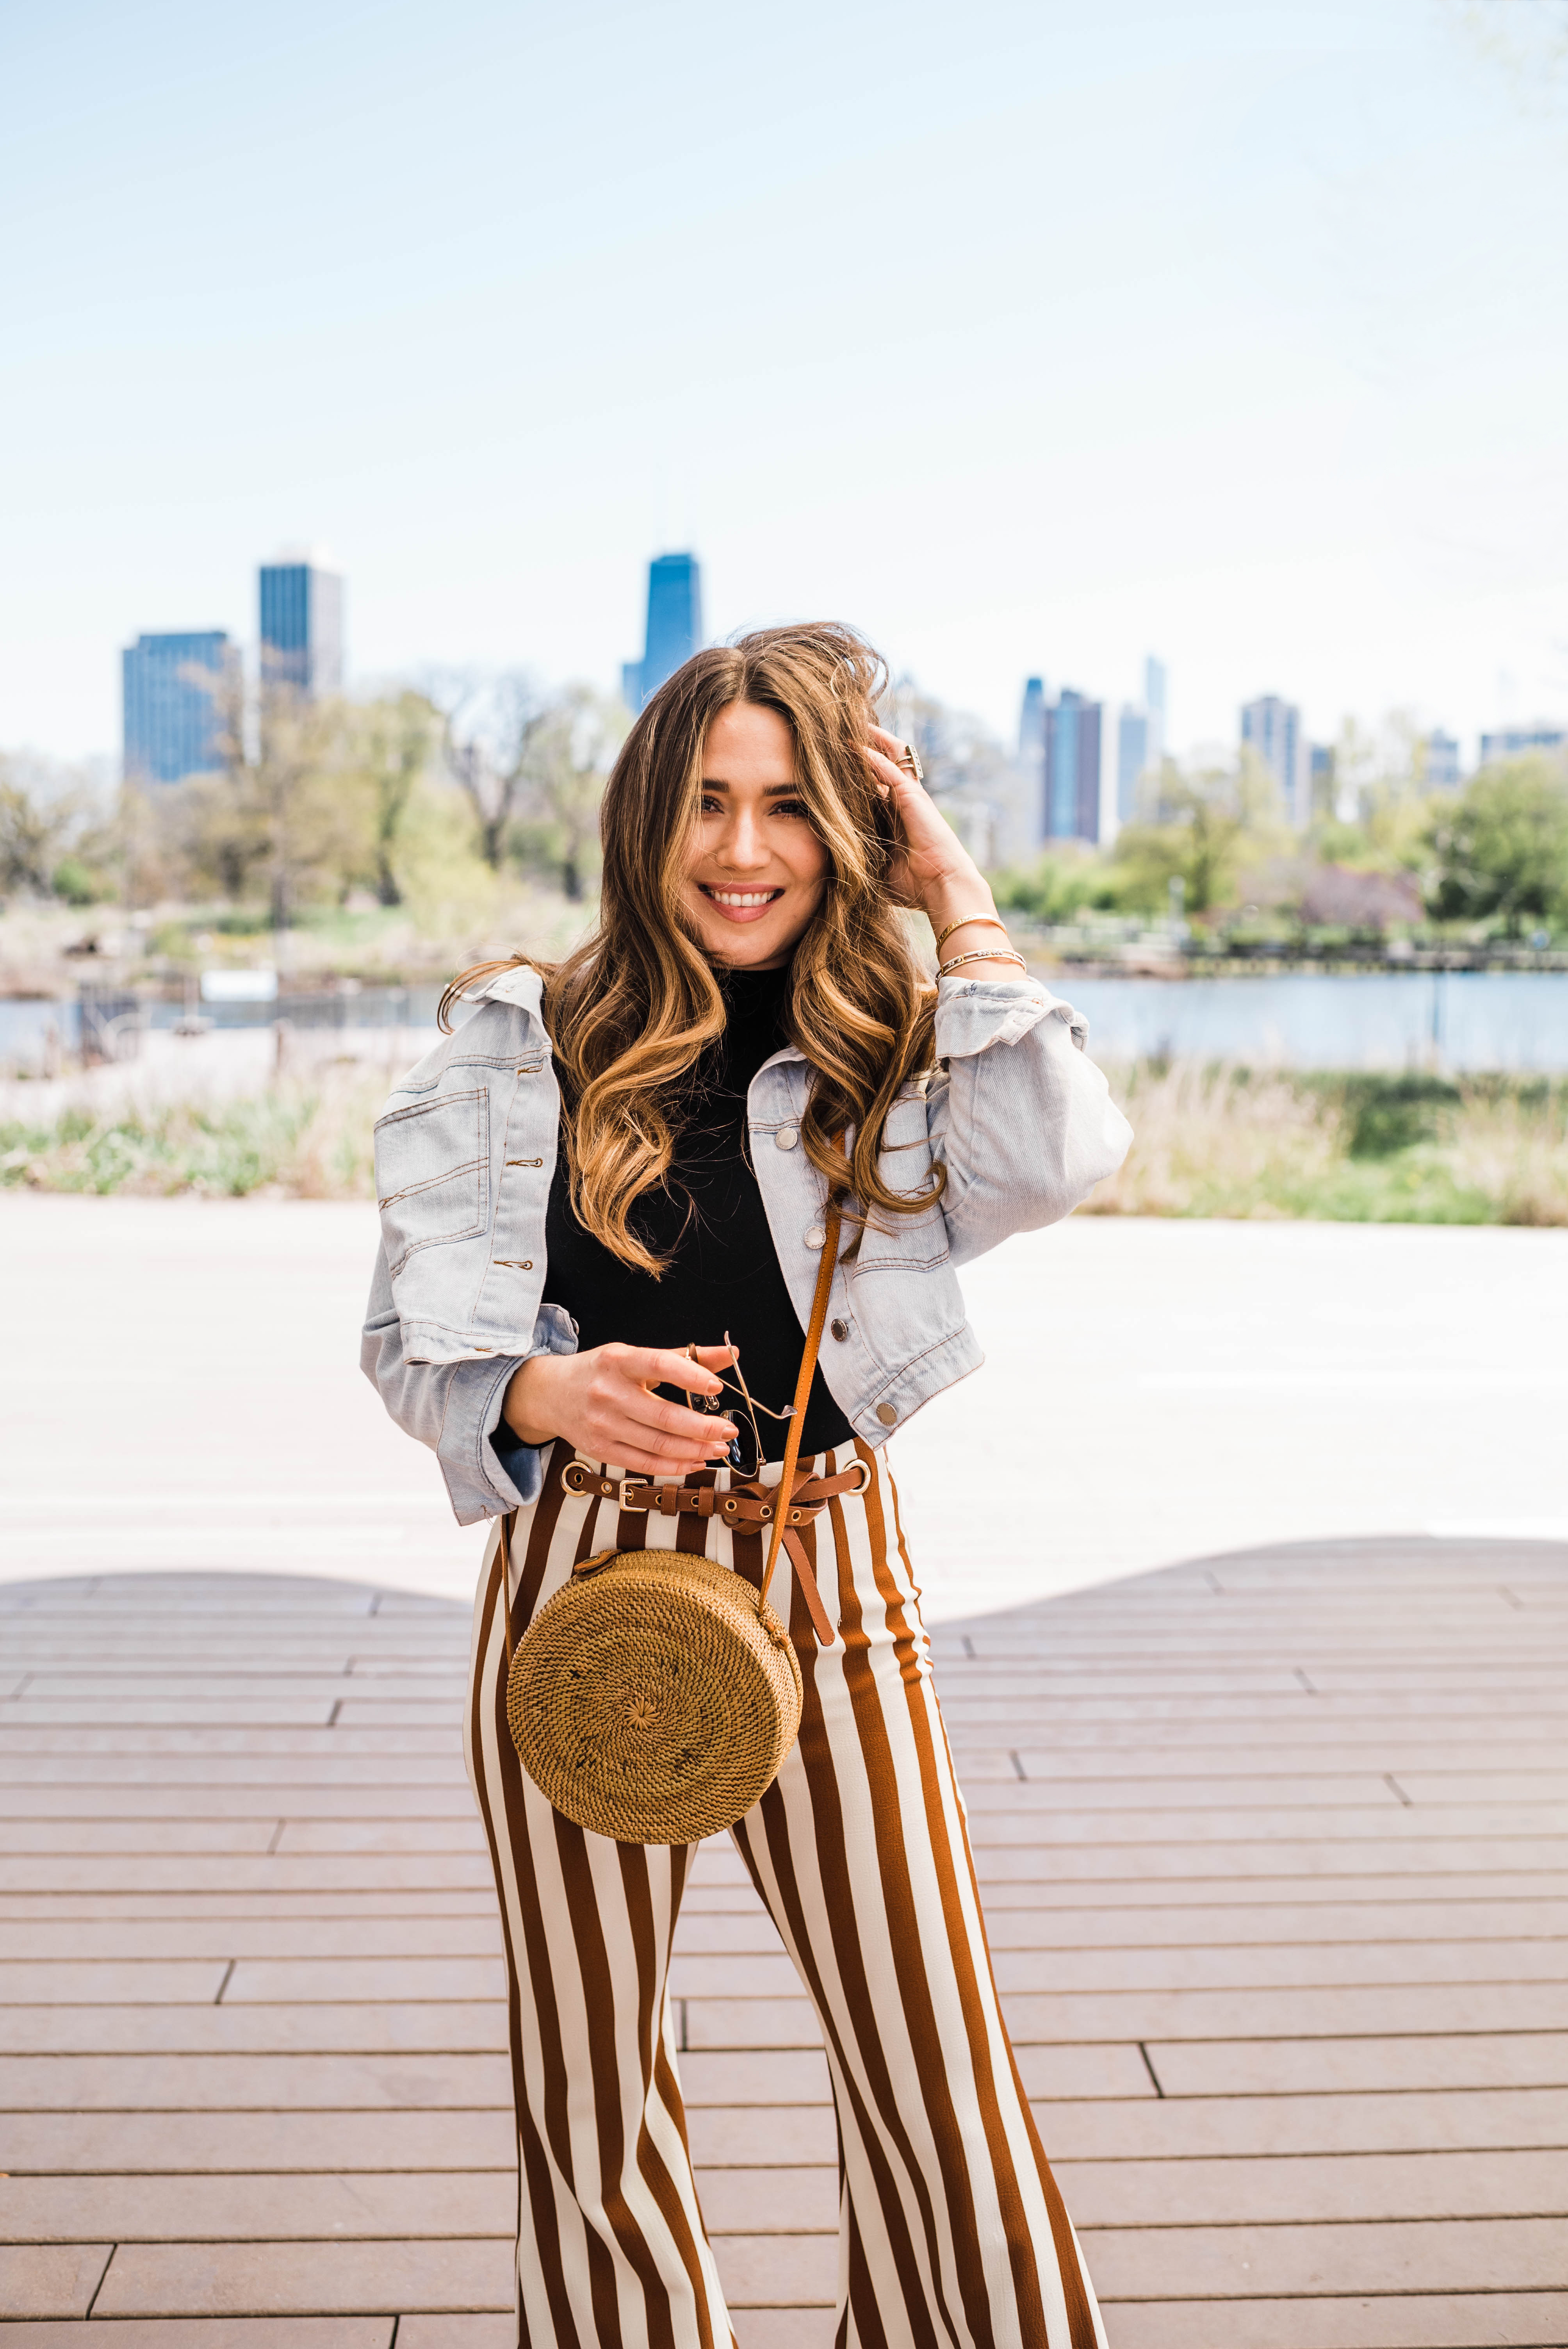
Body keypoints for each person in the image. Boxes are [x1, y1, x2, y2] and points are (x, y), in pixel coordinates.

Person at [362, 623, 1131, 2349]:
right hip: (579, 1580)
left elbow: (1067, 1153)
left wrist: (953, 887)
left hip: (829, 1569)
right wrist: (544, 1387)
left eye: (789, 807)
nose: (739, 848)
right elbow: (401, 1346)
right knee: (590, 2091)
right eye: (705, 802)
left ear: (843, 832)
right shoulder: (519, 1044)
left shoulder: (897, 1040)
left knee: (936, 2080)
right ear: (646, 819)